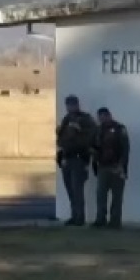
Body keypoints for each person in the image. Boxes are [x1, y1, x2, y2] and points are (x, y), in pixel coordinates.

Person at [56, 95, 96, 226]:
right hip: (67, 158)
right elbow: (61, 139)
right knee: (70, 190)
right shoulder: (66, 119)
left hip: (79, 158)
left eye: (72, 104)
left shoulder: (85, 119)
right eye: (68, 105)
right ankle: (74, 216)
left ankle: (80, 218)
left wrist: (79, 132)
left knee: (77, 189)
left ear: (77, 105)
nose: (70, 107)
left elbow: (91, 137)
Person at [92, 107, 130, 229]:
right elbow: (95, 147)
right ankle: (100, 219)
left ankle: (115, 221)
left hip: (116, 167)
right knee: (101, 195)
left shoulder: (120, 128)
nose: (102, 119)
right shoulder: (98, 130)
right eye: (100, 117)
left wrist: (121, 166)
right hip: (103, 166)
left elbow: (125, 149)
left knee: (117, 196)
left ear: (109, 115)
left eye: (104, 116)